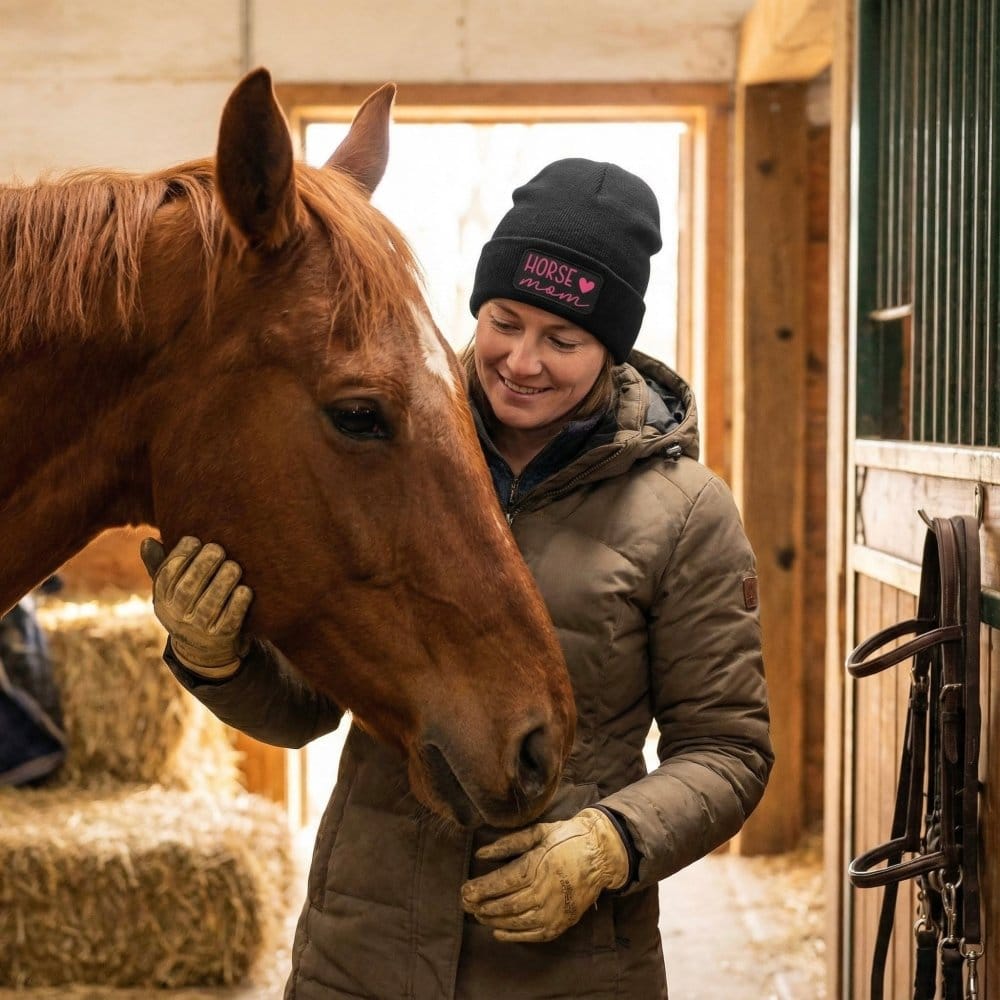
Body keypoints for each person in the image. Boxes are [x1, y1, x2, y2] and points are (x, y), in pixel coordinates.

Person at [142, 157, 773, 999]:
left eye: (565, 339)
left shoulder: (685, 513)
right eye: (505, 320)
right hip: (359, 956)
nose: (522, 360)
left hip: (568, 970)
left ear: (612, 346)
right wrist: (218, 656)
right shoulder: (380, 452)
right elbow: (303, 712)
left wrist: (610, 844)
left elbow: (729, 750)